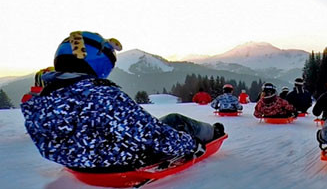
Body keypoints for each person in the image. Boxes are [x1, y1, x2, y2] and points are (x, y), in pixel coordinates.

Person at [20, 31, 225, 171]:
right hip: (118, 162)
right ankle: (211, 134)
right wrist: (189, 145)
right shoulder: (101, 95)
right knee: (173, 120)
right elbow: (151, 133)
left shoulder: (42, 98)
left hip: (78, 163)